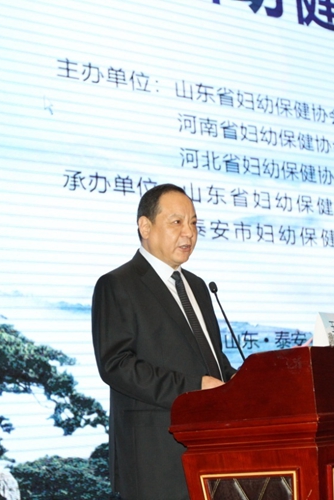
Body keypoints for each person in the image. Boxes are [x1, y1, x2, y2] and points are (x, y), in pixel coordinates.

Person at [92, 183, 236, 500]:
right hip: (154, 457)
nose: (189, 233)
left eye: (194, 223)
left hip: (210, 450)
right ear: (145, 227)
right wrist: (194, 387)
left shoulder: (198, 287)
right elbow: (116, 365)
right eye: (177, 222)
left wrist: (253, 383)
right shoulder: (118, 284)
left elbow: (213, 361)